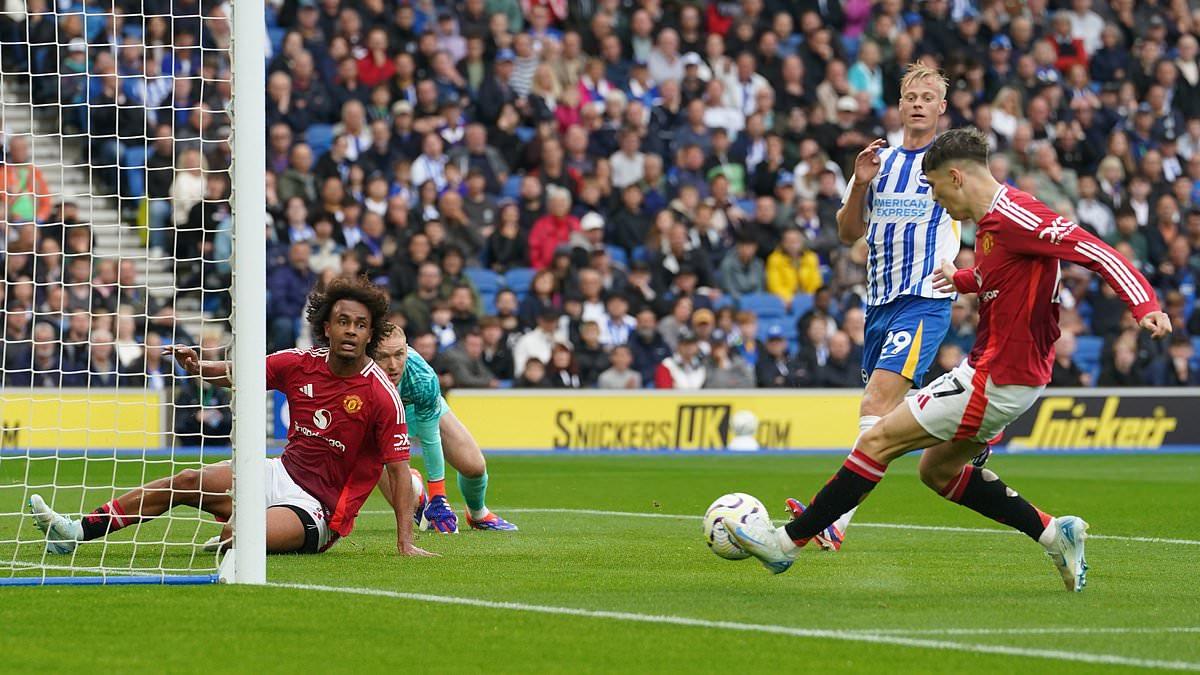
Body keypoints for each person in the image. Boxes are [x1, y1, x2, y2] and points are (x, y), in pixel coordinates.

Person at [729, 127, 1171, 592]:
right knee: (937, 471)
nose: (937, 202)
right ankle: (1052, 532)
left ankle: (785, 545)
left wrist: (1144, 306)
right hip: (1010, 376)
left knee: (877, 439)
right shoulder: (993, 223)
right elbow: (1005, 273)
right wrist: (961, 279)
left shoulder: (1017, 217)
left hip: (996, 378)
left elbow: (1096, 251)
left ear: (956, 177)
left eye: (936, 188)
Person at [30, 277, 435, 557]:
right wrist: (198, 367)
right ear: (326, 327)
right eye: (343, 321)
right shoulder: (299, 363)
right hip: (279, 474)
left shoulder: (380, 394)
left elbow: (399, 472)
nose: (351, 331)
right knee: (186, 481)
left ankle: (238, 529)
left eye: (360, 325)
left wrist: (404, 541)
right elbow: (241, 373)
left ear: (369, 334)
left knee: (238, 536)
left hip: (320, 509)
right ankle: (76, 531)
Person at [823, 64, 965, 550]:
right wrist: (860, 183)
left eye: (929, 96)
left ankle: (834, 520)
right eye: (911, 96)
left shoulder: (951, 162)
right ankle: (964, 426)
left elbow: (985, 214)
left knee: (874, 405)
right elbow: (847, 233)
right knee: (889, 420)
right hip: (878, 303)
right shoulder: (877, 161)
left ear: (941, 108)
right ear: (900, 105)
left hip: (924, 298)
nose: (919, 102)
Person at [373, 323, 517, 532]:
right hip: (382, 418)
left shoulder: (423, 377)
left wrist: (439, 496)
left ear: (407, 350)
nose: (393, 365)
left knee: (474, 467)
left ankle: (478, 514)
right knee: (396, 480)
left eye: (399, 354)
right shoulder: (358, 375)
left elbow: (430, 438)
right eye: (384, 356)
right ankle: (417, 497)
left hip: (418, 407)